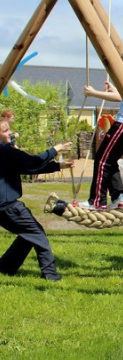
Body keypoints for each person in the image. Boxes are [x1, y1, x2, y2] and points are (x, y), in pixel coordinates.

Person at [0, 118, 74, 280]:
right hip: (9, 207)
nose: (10, 133)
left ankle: (6, 267)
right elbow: (34, 161)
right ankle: (50, 275)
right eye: (6, 131)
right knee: (38, 234)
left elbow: (26, 167)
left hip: (2, 208)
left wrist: (58, 166)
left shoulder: (5, 153)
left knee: (27, 235)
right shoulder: (6, 151)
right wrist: (57, 148)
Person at [79, 50, 123, 210]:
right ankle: (119, 197)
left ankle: (97, 201)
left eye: (122, 66)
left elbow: (120, 98)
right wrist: (112, 89)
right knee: (110, 161)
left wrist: (94, 93)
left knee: (102, 160)